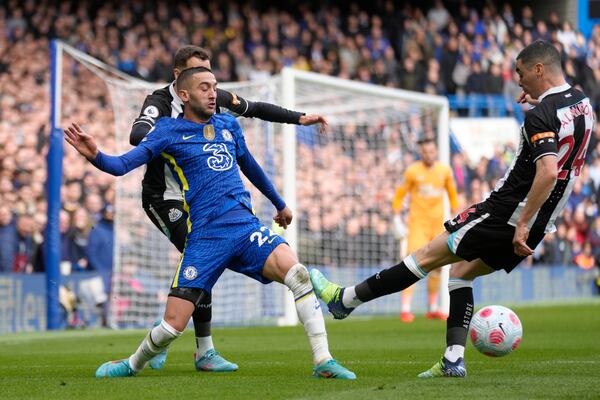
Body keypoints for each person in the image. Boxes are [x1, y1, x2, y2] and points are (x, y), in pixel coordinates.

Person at [309, 40, 595, 378]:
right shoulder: (581, 102)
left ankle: (345, 300)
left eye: (520, 73)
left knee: (425, 257)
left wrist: (520, 223)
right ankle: (453, 359)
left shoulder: (541, 117)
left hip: (507, 213)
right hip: (541, 223)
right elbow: (561, 141)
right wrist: (540, 102)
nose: (517, 80)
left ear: (538, 70)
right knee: (461, 274)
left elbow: (547, 171)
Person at [64, 66, 355, 380]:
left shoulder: (228, 124)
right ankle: (132, 364)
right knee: (171, 327)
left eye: (215, 86)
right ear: (185, 94)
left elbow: (251, 168)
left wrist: (279, 203)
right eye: (204, 87)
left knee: (297, 274)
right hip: (205, 236)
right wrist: (95, 155)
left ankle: (323, 361)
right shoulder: (167, 131)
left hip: (245, 227)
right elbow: (122, 165)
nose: (213, 93)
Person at [130, 45, 327, 372]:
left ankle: (176, 333)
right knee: (198, 256)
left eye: (212, 80)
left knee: (203, 263)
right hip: (165, 198)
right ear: (180, 77)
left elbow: (254, 108)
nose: (211, 89)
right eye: (200, 77)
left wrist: (298, 118)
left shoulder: (210, 98)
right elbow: (138, 134)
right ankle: (196, 345)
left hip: (203, 200)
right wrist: (167, 135)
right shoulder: (160, 102)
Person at [392, 137, 458, 322]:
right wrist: (396, 216)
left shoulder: (444, 171)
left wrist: (455, 214)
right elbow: (400, 194)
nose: (429, 155)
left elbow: (452, 194)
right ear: (421, 153)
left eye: (431, 151)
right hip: (417, 225)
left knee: (437, 265)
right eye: (425, 152)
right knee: (411, 263)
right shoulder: (412, 171)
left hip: (438, 225)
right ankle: (405, 308)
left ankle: (433, 307)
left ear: (435, 152)